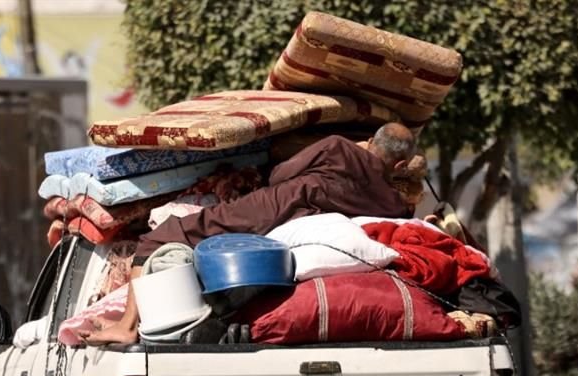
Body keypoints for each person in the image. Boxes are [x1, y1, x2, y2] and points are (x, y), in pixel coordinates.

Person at [81, 122, 417, 345]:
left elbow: (280, 175)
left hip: (270, 209)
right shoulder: (392, 204)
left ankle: (126, 326)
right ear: (400, 167)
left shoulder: (338, 148)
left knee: (163, 234)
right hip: (302, 231)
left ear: (371, 141)